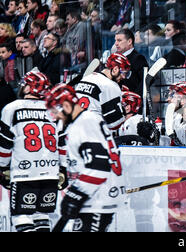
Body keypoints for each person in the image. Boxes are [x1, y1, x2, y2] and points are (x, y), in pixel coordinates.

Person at [44, 84, 126, 232]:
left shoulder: (85, 122)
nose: (55, 117)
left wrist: (75, 195)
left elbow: (99, 167)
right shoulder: (87, 120)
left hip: (99, 196)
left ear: (67, 106)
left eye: (56, 111)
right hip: (95, 196)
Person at [0, 71, 64, 232]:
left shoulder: (12, 108)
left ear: (29, 88)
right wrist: (62, 169)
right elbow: (63, 144)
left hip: (24, 173)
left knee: (21, 216)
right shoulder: (55, 110)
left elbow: (5, 144)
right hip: (50, 172)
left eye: (25, 84)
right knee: (42, 215)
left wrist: (2, 167)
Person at [73, 53, 129, 131]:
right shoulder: (111, 86)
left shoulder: (86, 78)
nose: (124, 77)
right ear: (115, 69)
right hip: (93, 132)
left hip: (75, 128)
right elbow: (113, 124)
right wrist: (123, 113)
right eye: (124, 73)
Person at [114, 28, 149, 98]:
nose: (116, 43)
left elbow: (145, 81)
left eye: (119, 40)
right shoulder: (116, 59)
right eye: (115, 40)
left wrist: (133, 98)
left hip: (131, 104)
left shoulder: (138, 58)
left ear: (129, 41)